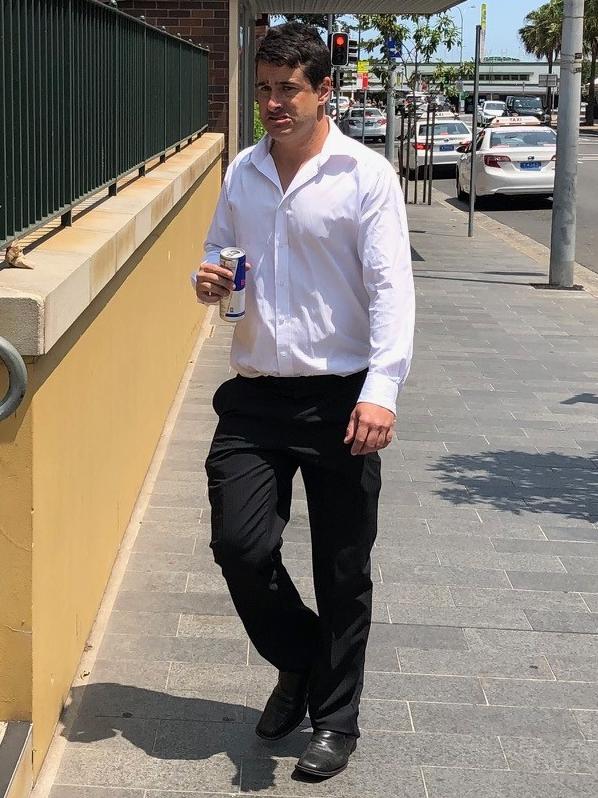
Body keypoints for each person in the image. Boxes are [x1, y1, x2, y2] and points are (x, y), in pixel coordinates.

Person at [193, 22, 414, 779]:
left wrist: (381, 391)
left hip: (342, 397)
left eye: (288, 88)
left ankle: (336, 723)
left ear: (325, 91)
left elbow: (392, 292)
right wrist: (207, 279)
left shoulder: (366, 176)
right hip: (255, 395)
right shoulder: (243, 173)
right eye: (264, 87)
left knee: (343, 566)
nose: (272, 103)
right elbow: (218, 253)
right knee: (240, 545)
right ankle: (303, 659)